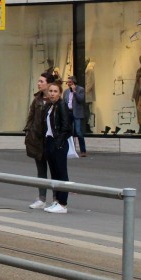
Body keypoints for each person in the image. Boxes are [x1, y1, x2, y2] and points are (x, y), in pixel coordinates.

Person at [24, 70, 57, 210]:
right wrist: (28, 133)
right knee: (41, 170)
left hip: (50, 140)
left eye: (41, 81)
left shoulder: (54, 100)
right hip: (37, 139)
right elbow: (30, 118)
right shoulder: (37, 100)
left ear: (48, 84)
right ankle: (42, 198)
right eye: (38, 81)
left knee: (55, 170)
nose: (38, 84)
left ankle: (57, 199)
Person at [42, 80, 73, 214]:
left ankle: (63, 203)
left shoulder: (61, 105)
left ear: (60, 93)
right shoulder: (50, 106)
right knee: (54, 173)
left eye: (55, 91)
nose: (52, 93)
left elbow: (66, 127)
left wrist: (58, 143)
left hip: (58, 143)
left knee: (61, 173)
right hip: (50, 141)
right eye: (51, 91)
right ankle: (56, 200)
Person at [65, 75, 87, 157]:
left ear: (74, 82)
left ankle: (83, 151)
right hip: (68, 112)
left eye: (70, 82)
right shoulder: (66, 92)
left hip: (77, 113)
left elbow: (81, 100)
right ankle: (70, 150)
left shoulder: (80, 90)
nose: (68, 84)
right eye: (68, 82)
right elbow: (64, 102)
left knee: (78, 132)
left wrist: (74, 92)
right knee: (69, 132)